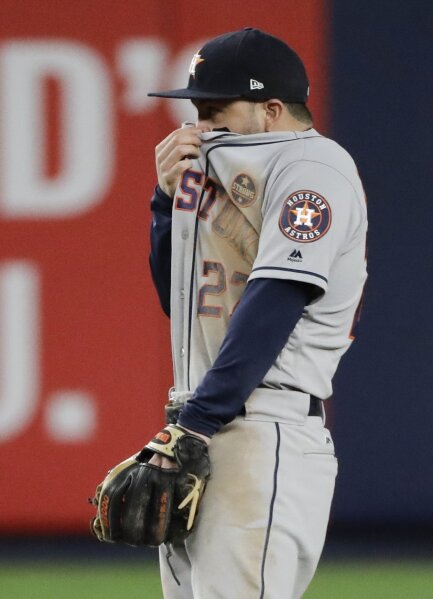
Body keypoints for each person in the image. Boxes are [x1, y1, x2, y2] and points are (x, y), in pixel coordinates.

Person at [147, 27, 367, 599]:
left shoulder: (315, 169)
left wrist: (196, 422)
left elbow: (276, 300)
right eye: (196, 109)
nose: (200, 125)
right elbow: (182, 301)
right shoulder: (211, 172)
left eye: (217, 108)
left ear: (272, 109)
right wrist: (165, 201)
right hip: (202, 421)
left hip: (264, 429)